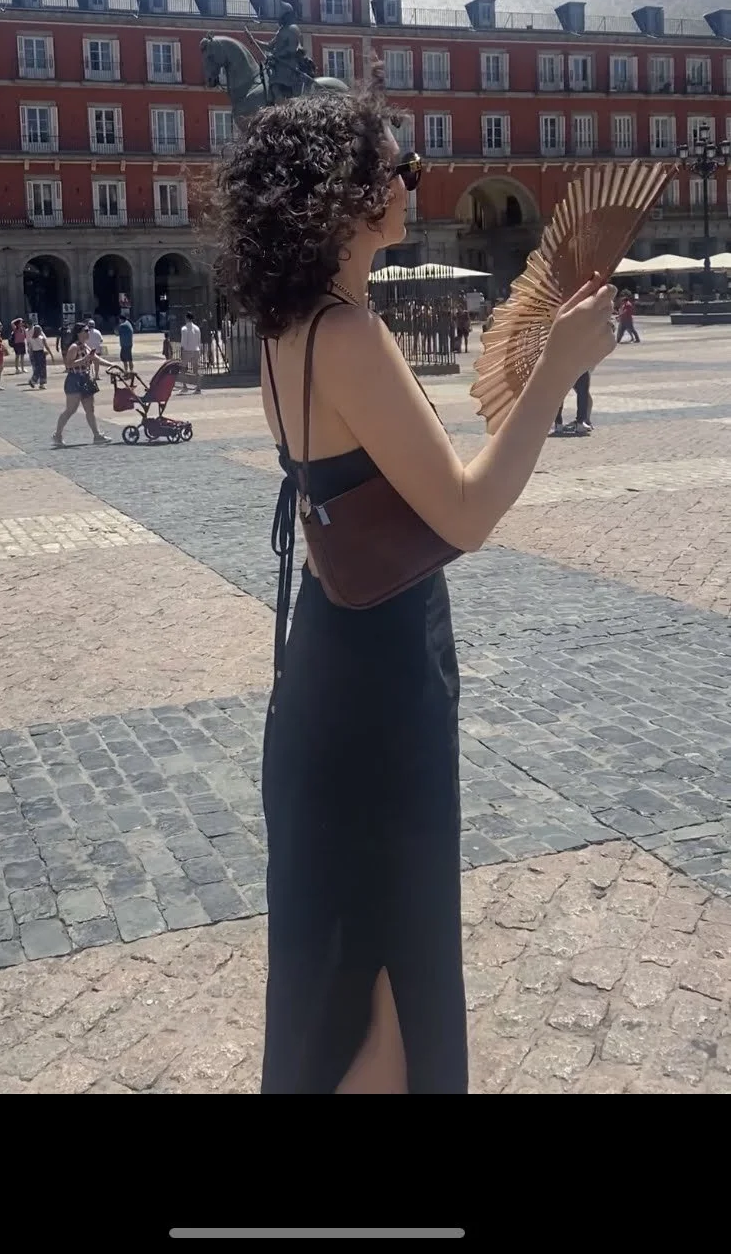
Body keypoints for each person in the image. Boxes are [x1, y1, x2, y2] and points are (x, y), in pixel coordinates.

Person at [215, 86, 615, 1096]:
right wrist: (556, 366)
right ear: (344, 195)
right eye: (397, 169)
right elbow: (468, 514)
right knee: (392, 970)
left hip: (329, 662)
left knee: (354, 960)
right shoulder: (347, 332)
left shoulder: (287, 322)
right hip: (381, 682)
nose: (410, 182)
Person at [53, 324, 112, 448]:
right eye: (86, 330)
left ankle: (97, 435)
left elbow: (96, 359)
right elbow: (68, 364)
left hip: (85, 379)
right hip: (74, 380)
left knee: (90, 409)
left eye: (88, 330)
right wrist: (84, 359)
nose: (88, 332)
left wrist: (111, 365)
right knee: (71, 410)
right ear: (79, 333)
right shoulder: (74, 347)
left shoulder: (85, 346)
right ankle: (57, 435)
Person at [179, 312, 202, 394]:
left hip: (187, 350)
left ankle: (185, 386)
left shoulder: (184, 329)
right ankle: (198, 387)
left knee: (183, 369)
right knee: (196, 370)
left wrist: (182, 351)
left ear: (187, 318)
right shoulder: (197, 328)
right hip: (196, 350)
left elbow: (183, 342)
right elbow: (199, 341)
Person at [28, 323, 55, 390]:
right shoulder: (42, 338)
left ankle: (34, 380)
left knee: (37, 368)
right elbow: (46, 346)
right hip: (40, 353)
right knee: (42, 368)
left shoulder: (31, 339)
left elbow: (30, 348)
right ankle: (40, 383)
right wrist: (51, 354)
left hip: (34, 353)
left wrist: (31, 354)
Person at [117, 313, 134, 378]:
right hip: (129, 344)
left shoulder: (122, 325)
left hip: (125, 345)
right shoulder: (128, 323)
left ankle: (126, 372)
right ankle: (131, 372)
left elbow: (117, 333)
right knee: (129, 358)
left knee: (124, 359)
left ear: (121, 319)